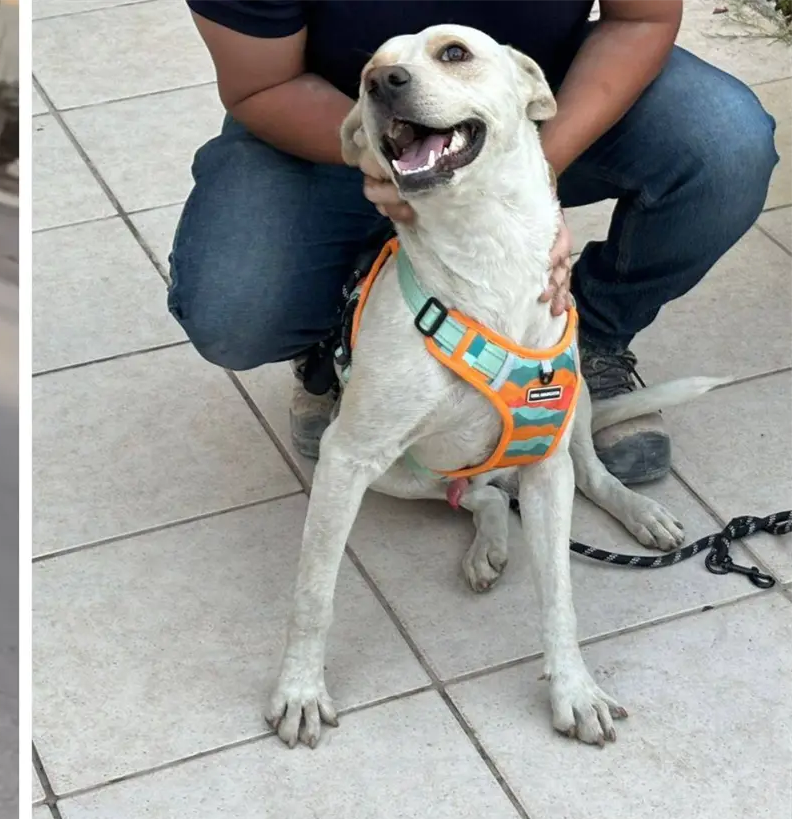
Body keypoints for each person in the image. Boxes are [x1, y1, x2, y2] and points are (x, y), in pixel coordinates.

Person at [172, 0, 777, 485]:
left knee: (724, 146)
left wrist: (537, 174)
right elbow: (262, 85)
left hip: (518, 109)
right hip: (337, 119)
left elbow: (641, 18)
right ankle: (342, 344)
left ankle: (579, 344)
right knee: (237, 312)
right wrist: (384, 162)